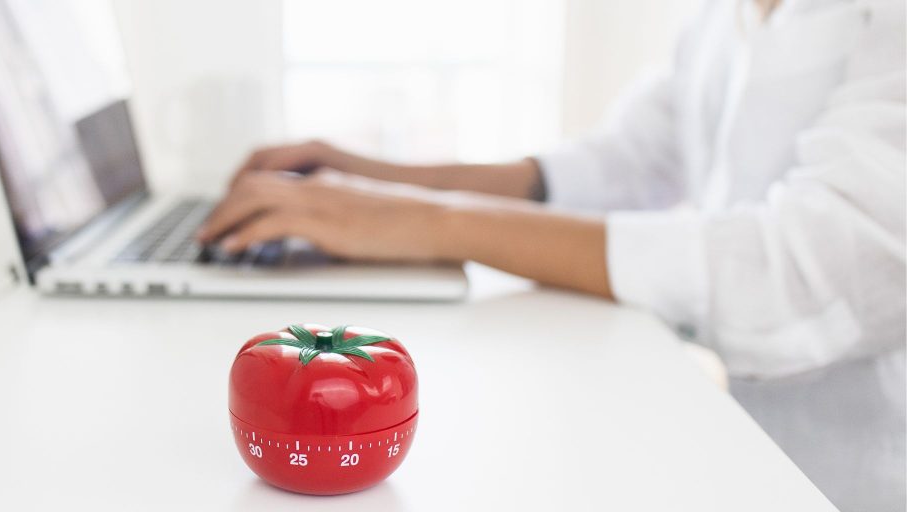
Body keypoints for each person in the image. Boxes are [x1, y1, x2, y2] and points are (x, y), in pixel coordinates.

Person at [199, 0, 905, 509]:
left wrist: (423, 221)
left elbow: (801, 272)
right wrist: (374, 180)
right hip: (752, 453)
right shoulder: (722, 18)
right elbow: (616, 163)